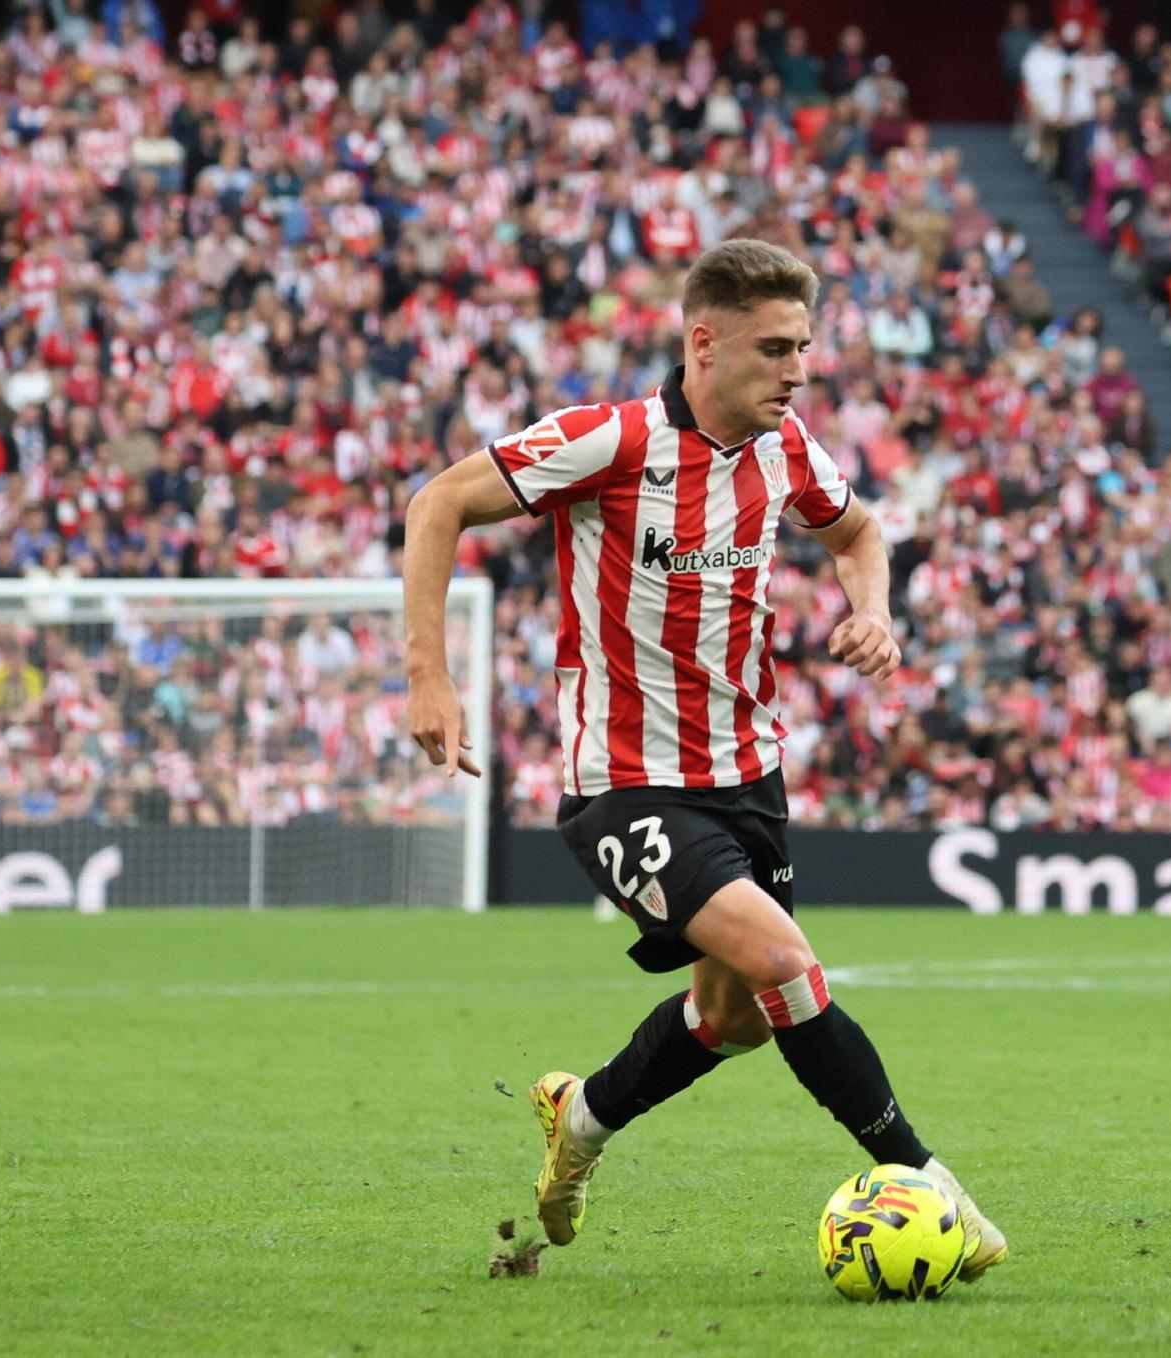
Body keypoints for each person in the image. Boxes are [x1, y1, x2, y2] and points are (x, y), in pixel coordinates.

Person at [401, 240, 1007, 1276]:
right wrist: (429, 671)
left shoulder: (787, 451)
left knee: (734, 1015)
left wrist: (874, 611)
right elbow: (438, 501)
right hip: (625, 781)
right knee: (784, 965)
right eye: (774, 348)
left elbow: (861, 536)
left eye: (804, 347)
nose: (797, 369)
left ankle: (581, 1115)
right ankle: (932, 1183)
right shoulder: (610, 439)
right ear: (701, 342)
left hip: (746, 775)